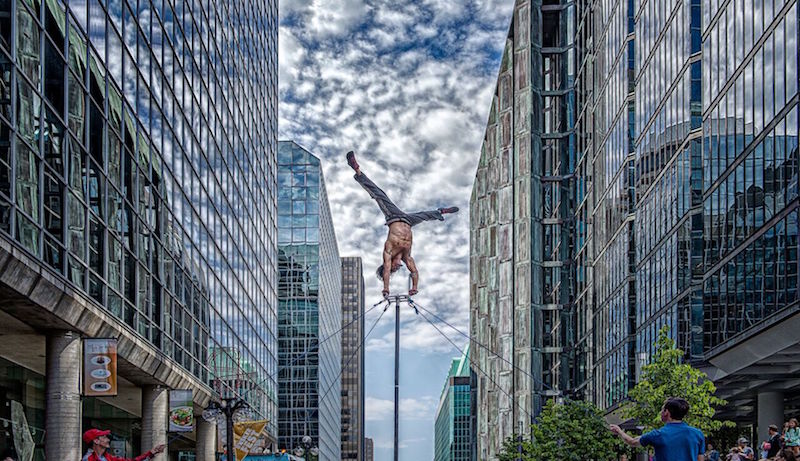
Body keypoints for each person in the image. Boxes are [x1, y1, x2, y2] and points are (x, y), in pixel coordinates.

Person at [346, 151, 459, 297]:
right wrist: (414, 287)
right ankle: (440, 212)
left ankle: (357, 170)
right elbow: (414, 271)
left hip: (393, 216)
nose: (396, 268)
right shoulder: (407, 256)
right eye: (395, 269)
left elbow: (386, 270)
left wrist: (386, 289)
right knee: (425, 215)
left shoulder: (388, 252)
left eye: (393, 268)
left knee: (379, 195)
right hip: (408, 221)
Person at [609, 397, 705, 461]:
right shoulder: (698, 434)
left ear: (666, 412)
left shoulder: (658, 434)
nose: (660, 412)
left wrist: (619, 431)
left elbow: (632, 441)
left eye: (662, 410)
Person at [82, 428, 166, 461]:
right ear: (96, 441)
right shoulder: (88, 459)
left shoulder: (107, 457)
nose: (108, 440)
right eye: (104, 437)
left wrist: (152, 453)